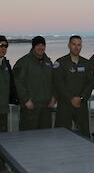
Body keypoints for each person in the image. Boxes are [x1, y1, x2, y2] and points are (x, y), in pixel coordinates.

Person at [53, 35, 94, 137]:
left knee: (84, 134)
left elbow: (90, 82)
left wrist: (81, 98)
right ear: (69, 45)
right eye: (74, 44)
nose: (76, 47)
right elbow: (58, 83)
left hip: (81, 103)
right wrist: (71, 98)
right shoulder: (60, 62)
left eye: (79, 45)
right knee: (61, 134)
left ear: (81, 46)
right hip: (65, 103)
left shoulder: (86, 63)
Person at [13, 36, 56, 130]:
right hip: (31, 107)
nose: (41, 47)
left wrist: (53, 97)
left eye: (43, 45)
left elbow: (53, 81)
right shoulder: (23, 62)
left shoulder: (48, 61)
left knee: (45, 137)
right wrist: (26, 100)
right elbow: (17, 82)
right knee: (29, 138)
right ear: (33, 46)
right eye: (38, 45)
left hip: (46, 107)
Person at [0, 35, 17, 173]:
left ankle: (2, 165)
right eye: (0, 45)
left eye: (5, 46)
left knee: (3, 139)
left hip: (3, 109)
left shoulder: (6, 64)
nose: (3, 48)